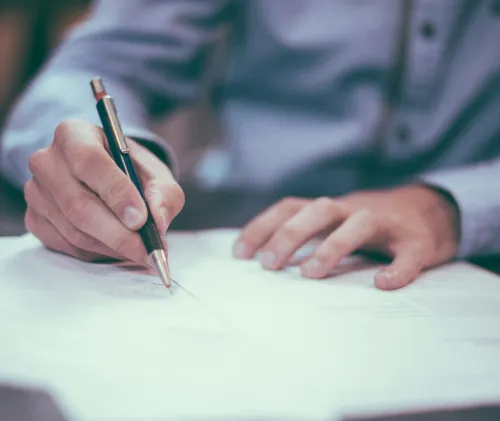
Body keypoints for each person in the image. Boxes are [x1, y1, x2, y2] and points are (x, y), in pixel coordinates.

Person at [1, 0, 499, 290]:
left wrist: (452, 208)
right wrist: (85, 161)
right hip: (247, 235)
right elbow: (94, 65)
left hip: (475, 253)